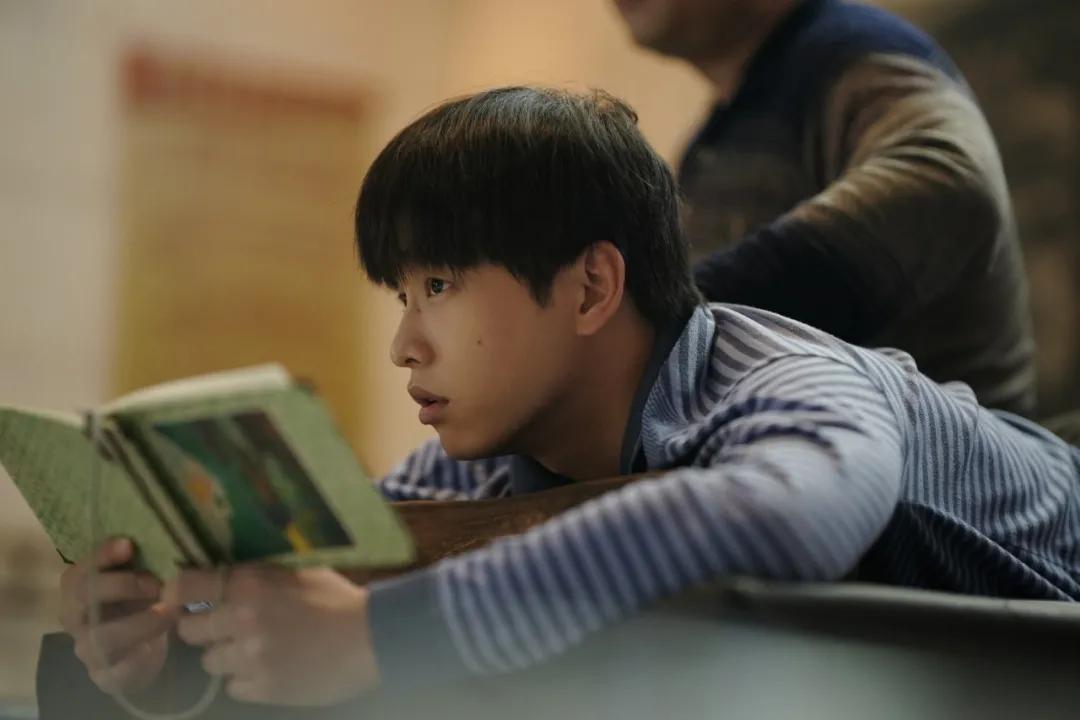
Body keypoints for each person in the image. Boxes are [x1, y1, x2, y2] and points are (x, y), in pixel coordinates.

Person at [44, 87, 1079, 715]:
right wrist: (168, 648)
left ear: (590, 287)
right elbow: (341, 574)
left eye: (439, 285)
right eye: (403, 296)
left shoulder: (784, 381)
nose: (405, 344)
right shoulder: (478, 460)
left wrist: (378, 639)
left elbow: (779, 518)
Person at [613, 0, 1037, 415]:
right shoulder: (715, 140)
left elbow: (949, 188)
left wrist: (675, 319)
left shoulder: (853, 51)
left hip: (942, 446)